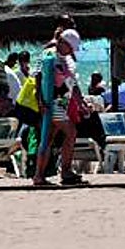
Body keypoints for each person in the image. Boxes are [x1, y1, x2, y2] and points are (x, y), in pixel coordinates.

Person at [33, 17, 87, 187]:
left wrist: (81, 103)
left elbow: (73, 84)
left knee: (47, 139)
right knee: (70, 132)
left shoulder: (65, 59)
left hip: (58, 102)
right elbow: (38, 77)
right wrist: (41, 100)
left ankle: (39, 176)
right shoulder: (49, 54)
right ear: (62, 42)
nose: (71, 51)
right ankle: (65, 171)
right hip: (52, 102)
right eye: (70, 48)